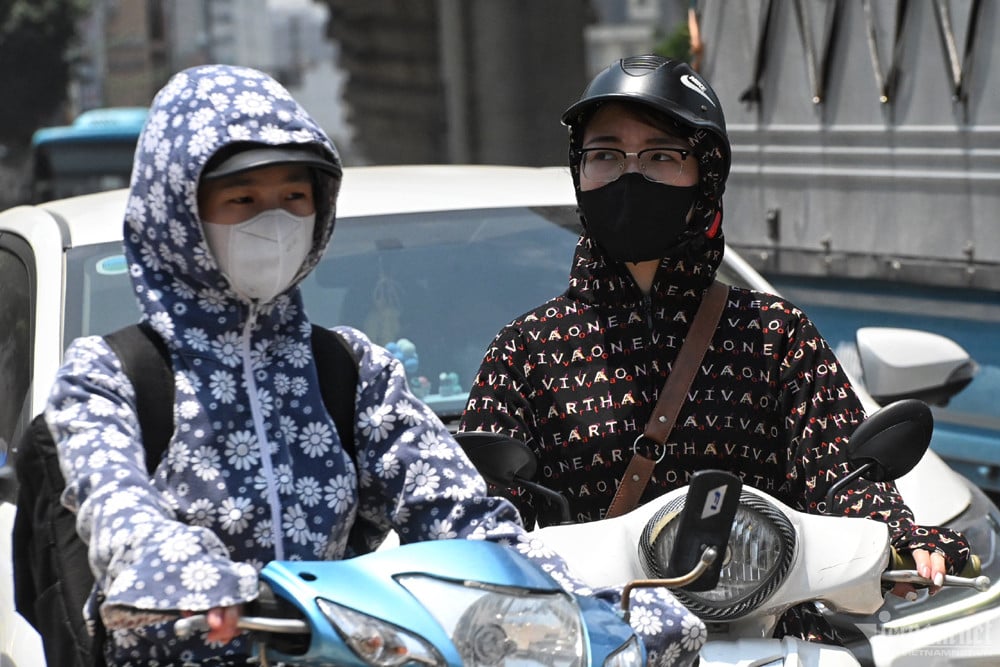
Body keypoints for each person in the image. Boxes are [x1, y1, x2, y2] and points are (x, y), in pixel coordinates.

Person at [45, 64, 704, 666]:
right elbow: (122, 519)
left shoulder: (351, 370)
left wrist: (599, 607)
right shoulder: (109, 375)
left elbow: (462, 517)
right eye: (242, 199)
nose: (272, 221)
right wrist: (203, 584)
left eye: (293, 198)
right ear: (180, 212)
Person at [459, 55, 970, 641]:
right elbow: (486, 522)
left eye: (660, 155)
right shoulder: (525, 352)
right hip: (595, 645)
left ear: (707, 173)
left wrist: (901, 539)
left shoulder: (774, 334)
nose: (630, 175)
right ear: (578, 171)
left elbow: (841, 476)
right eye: (605, 155)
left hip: (769, 639)